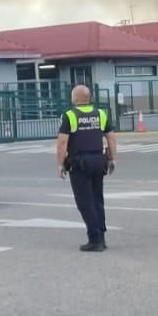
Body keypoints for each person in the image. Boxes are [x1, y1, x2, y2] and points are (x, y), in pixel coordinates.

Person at [57, 85, 116, 252]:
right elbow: (111, 137)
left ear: (75, 99)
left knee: (85, 202)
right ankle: (102, 237)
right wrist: (112, 159)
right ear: (89, 98)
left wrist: (60, 163)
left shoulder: (70, 116)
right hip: (99, 161)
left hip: (80, 163)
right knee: (97, 200)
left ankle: (94, 239)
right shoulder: (100, 114)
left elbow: (62, 142)